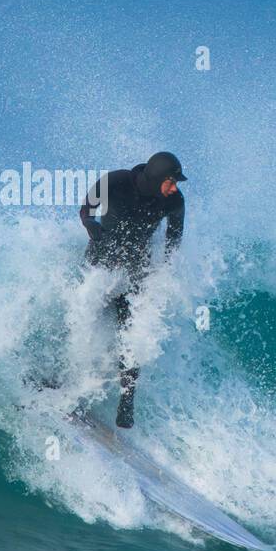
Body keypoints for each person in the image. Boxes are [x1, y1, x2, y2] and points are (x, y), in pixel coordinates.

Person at [79, 151, 186, 428]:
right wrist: (90, 224)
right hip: (101, 264)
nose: (174, 187)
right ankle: (70, 380)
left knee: (130, 332)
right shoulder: (116, 181)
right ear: (156, 176)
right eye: (171, 181)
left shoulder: (174, 201)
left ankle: (127, 400)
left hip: (136, 270)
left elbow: (173, 245)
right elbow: (86, 209)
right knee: (85, 321)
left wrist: (160, 279)